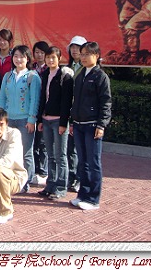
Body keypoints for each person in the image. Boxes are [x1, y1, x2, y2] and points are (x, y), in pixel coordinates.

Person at [69, 41, 112, 211]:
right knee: (83, 162)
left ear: (97, 56)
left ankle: (93, 199)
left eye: (87, 54)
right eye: (82, 54)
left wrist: (101, 125)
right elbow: (75, 101)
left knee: (93, 163)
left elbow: (106, 102)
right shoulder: (80, 75)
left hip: (92, 125)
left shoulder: (100, 76)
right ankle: (83, 195)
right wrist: (72, 121)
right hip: (79, 124)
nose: (84, 57)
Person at [0, 44, 41, 193]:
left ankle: (26, 182)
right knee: (9, 150)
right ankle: (11, 180)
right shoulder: (7, 76)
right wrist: (1, 118)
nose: (18, 59)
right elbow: (2, 98)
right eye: (15, 56)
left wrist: (31, 120)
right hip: (9, 119)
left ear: (27, 58)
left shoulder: (32, 77)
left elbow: (35, 100)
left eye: (22, 56)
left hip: (24, 120)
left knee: (26, 152)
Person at [36, 46, 74, 200]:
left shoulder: (65, 76)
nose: (50, 60)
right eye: (48, 57)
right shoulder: (45, 74)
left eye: (53, 57)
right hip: (46, 120)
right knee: (50, 155)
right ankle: (50, 185)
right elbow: (42, 98)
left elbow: (66, 102)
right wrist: (40, 119)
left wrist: (64, 123)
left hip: (59, 121)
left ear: (59, 59)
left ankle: (61, 187)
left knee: (60, 155)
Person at [66, 35, 87, 192]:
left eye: (78, 48)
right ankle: (71, 177)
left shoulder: (87, 69)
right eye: (72, 47)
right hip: (68, 112)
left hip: (81, 113)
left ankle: (80, 178)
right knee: (70, 148)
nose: (75, 50)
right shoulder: (67, 67)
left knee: (80, 149)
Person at [31, 40, 50, 185]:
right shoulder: (31, 69)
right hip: (32, 109)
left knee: (43, 142)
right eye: (36, 52)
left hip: (44, 110)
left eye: (42, 53)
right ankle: (33, 170)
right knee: (33, 142)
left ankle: (43, 171)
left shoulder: (49, 70)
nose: (39, 55)